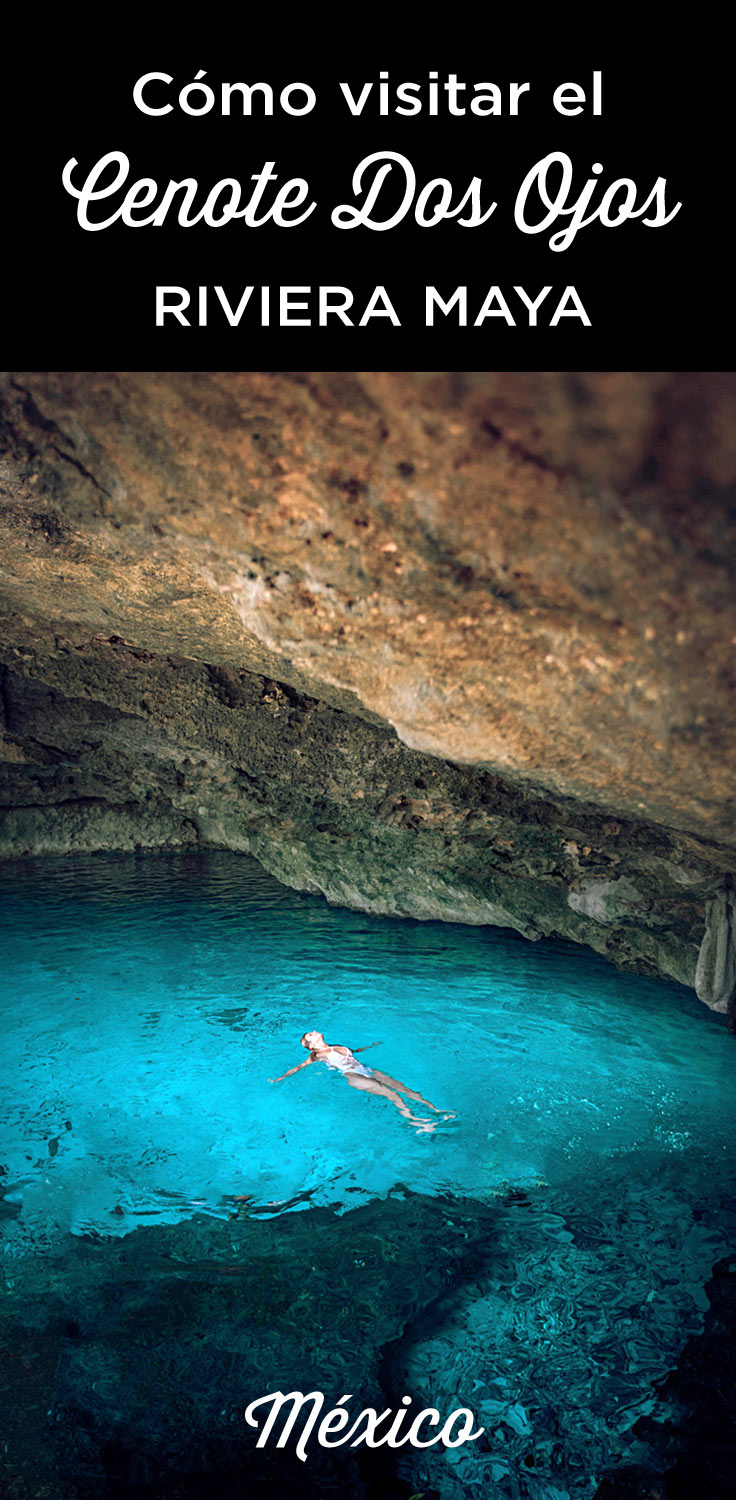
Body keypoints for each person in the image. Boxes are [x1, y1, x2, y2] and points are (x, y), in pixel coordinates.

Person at [269, 1030, 455, 1133]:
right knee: (392, 1094)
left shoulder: (337, 1046)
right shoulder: (316, 1055)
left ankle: (438, 1111)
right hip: (353, 1076)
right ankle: (417, 1122)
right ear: (310, 1045)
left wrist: (372, 1046)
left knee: (407, 1090)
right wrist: (280, 1079)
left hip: (366, 1070)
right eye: (309, 1035)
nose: (314, 1031)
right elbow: (298, 1068)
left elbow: (355, 1051)